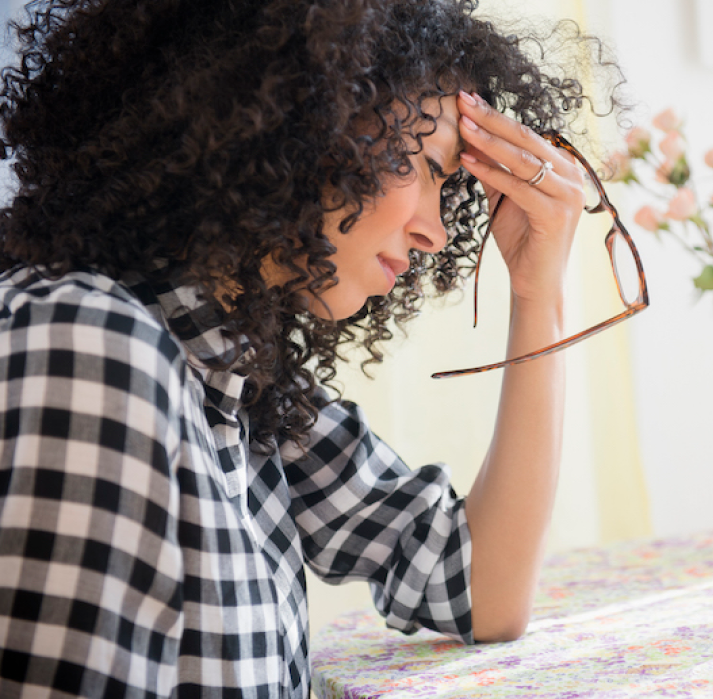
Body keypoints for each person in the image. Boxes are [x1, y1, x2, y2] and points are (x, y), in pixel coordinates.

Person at [0, 0, 620, 696]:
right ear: (300, 121)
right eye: (422, 167)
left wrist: (539, 293)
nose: (435, 233)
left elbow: (481, 585)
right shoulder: (93, 351)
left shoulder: (237, 374)